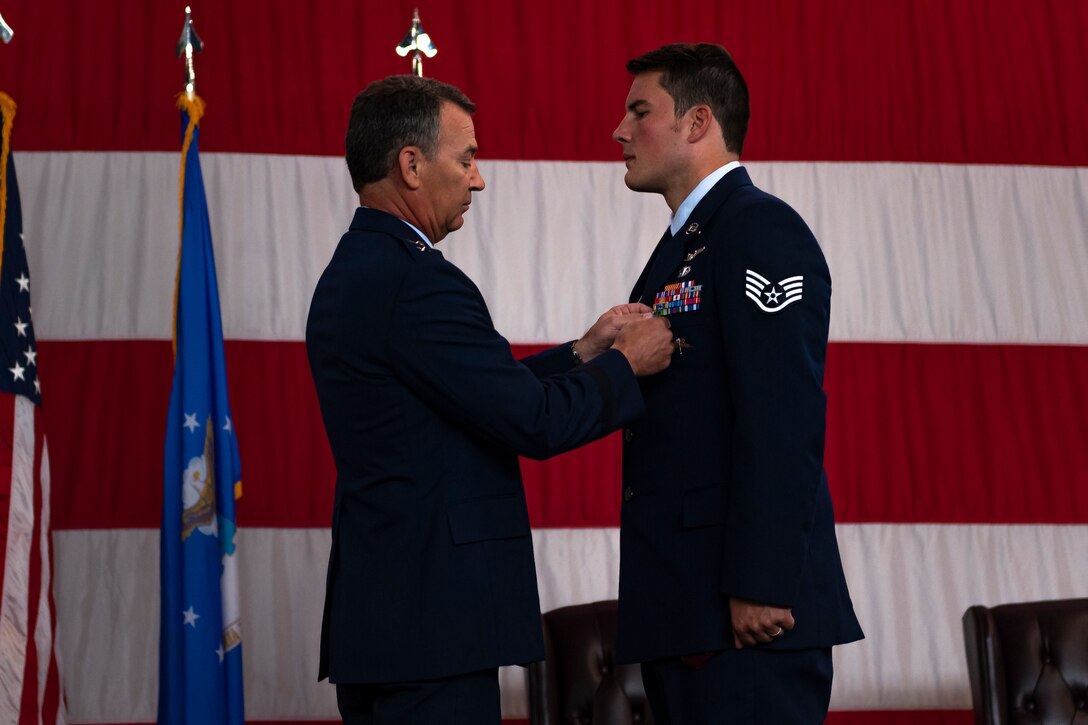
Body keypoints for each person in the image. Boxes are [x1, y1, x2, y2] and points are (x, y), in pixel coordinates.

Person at [305, 74, 674, 725]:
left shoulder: (354, 270)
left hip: (388, 627)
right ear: (411, 165)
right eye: (466, 158)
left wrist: (582, 351)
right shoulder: (417, 282)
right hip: (433, 637)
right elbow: (532, 421)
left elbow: (464, 397)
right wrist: (626, 365)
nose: (478, 179)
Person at [611, 43, 864, 723]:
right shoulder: (689, 241)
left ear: (697, 122)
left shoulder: (758, 229)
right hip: (690, 606)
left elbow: (783, 414)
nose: (620, 130)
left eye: (640, 111)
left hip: (746, 616)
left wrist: (763, 580)